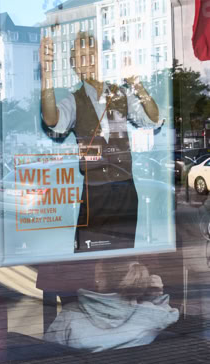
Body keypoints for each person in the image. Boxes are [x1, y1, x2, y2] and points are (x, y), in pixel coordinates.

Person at [40, 31, 161, 253]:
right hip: (95, 191)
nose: (87, 61)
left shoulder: (120, 94)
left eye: (92, 54)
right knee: (89, 256)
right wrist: (46, 74)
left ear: (100, 59)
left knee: (122, 255)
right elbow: (51, 119)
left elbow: (153, 118)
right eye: (81, 56)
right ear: (74, 66)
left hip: (125, 189)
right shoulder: (74, 100)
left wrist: (136, 83)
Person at [44, 260, 179, 352]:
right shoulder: (151, 315)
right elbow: (168, 315)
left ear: (100, 278)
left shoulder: (71, 315)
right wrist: (155, 296)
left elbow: (49, 353)